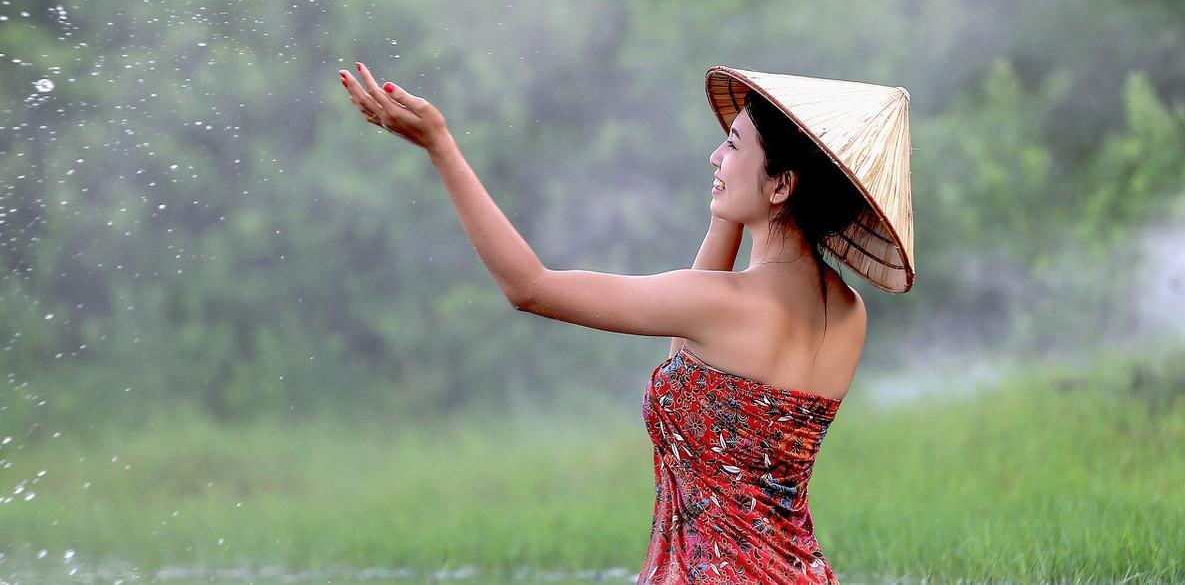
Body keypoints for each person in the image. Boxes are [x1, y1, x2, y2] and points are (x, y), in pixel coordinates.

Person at [337, 62, 914, 584]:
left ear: (783, 185)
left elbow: (529, 287)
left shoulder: (719, 304)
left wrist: (440, 146)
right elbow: (690, 351)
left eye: (734, 147)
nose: (715, 158)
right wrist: (730, 212)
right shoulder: (848, 313)